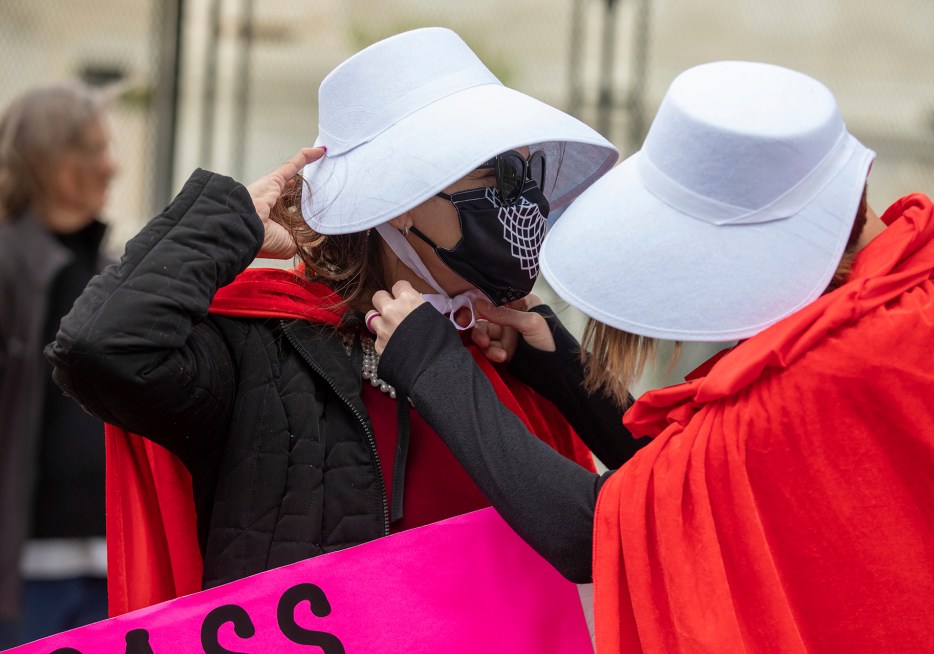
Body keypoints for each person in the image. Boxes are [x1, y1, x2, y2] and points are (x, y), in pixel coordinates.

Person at [369, 61, 934, 654]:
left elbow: (591, 529)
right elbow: (702, 483)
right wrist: (557, 361)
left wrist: (429, 363)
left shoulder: (813, 385)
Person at [45, 27, 622, 616]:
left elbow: (654, 497)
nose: (522, 205)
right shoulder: (265, 345)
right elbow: (102, 349)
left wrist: (564, 371)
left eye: (529, 177)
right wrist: (227, 223)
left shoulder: (507, 350)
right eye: (496, 177)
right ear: (401, 196)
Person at [0, 84, 116, 647]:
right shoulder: (7, 264)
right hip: (23, 574)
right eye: (95, 150)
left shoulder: (110, 269)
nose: (111, 165)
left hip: (109, 563)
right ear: (53, 164)